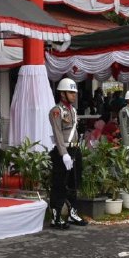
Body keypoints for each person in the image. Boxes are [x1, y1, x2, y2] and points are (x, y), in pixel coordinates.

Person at [48, 78, 87, 229]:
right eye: (71, 92)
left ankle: (73, 213)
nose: (74, 95)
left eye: (74, 92)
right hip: (62, 152)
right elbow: (57, 133)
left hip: (74, 150)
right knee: (59, 184)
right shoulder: (56, 111)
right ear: (62, 94)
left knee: (74, 183)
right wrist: (64, 154)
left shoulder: (73, 110)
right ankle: (56, 217)